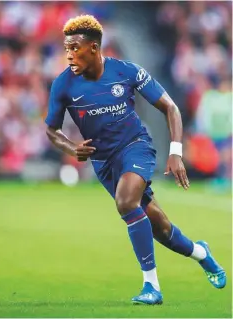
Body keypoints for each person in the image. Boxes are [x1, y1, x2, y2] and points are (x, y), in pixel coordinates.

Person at [45, 15, 226, 305]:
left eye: (74, 48)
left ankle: (151, 287)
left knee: (126, 202)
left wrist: (176, 152)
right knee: (161, 228)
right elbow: (51, 130)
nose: (68, 55)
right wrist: (70, 147)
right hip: (103, 163)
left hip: (135, 147)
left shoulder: (127, 72)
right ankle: (201, 252)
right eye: (66, 48)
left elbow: (171, 108)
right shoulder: (63, 85)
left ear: (93, 48)